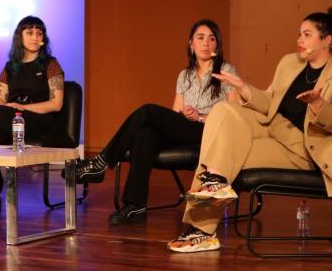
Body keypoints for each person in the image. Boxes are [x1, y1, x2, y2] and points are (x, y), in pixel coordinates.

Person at [168, 5, 332, 253]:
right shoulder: (290, 62)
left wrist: (317, 103)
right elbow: (270, 102)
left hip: (301, 148)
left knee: (221, 155)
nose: (299, 40)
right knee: (223, 111)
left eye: (306, 34)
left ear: (327, 40)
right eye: (299, 33)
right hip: (271, 127)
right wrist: (242, 87)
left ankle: (202, 231)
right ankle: (215, 185)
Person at [75, 19, 238, 224]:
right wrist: (185, 114)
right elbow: (174, 113)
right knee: (146, 134)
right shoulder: (184, 75)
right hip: (186, 128)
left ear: (217, 45)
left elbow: (234, 115)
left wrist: (200, 117)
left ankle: (101, 162)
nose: (206, 43)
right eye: (200, 38)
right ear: (191, 44)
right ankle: (135, 206)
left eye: (211, 39)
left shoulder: (225, 71)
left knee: (148, 111)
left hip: (209, 132)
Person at [0, 15, 73, 212]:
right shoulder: (10, 67)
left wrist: (22, 108)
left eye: (39, 33)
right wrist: (11, 108)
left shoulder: (51, 64)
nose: (35, 37)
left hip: (41, 121)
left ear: (44, 38)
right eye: (29, 32)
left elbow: (56, 104)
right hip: (14, 119)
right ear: (20, 37)